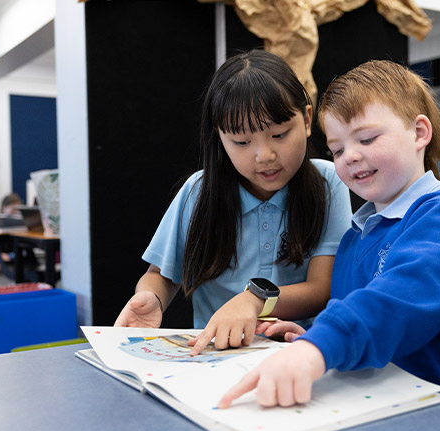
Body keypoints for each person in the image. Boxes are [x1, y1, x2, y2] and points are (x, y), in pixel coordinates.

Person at [217, 59, 440, 409]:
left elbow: (395, 303)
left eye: (367, 139)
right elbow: (356, 316)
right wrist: (314, 337)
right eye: (337, 150)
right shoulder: (357, 235)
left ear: (419, 133)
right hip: (377, 401)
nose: (350, 156)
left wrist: (320, 348)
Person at [114, 50, 353, 356]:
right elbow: (160, 275)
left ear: (307, 120)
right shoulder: (197, 193)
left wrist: (255, 299)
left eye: (279, 134)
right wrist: (150, 298)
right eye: (241, 142)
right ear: (220, 138)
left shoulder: (329, 181)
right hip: (214, 353)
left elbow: (321, 290)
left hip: (298, 351)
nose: (264, 155)